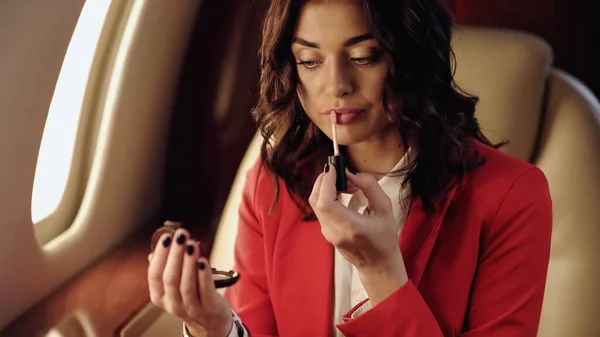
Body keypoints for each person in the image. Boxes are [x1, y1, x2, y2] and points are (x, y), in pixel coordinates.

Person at [147, 0, 553, 336]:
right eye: (309, 61)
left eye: (363, 56)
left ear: (411, 56)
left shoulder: (512, 196)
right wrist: (213, 326)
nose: (336, 84)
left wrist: (381, 273)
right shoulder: (273, 182)